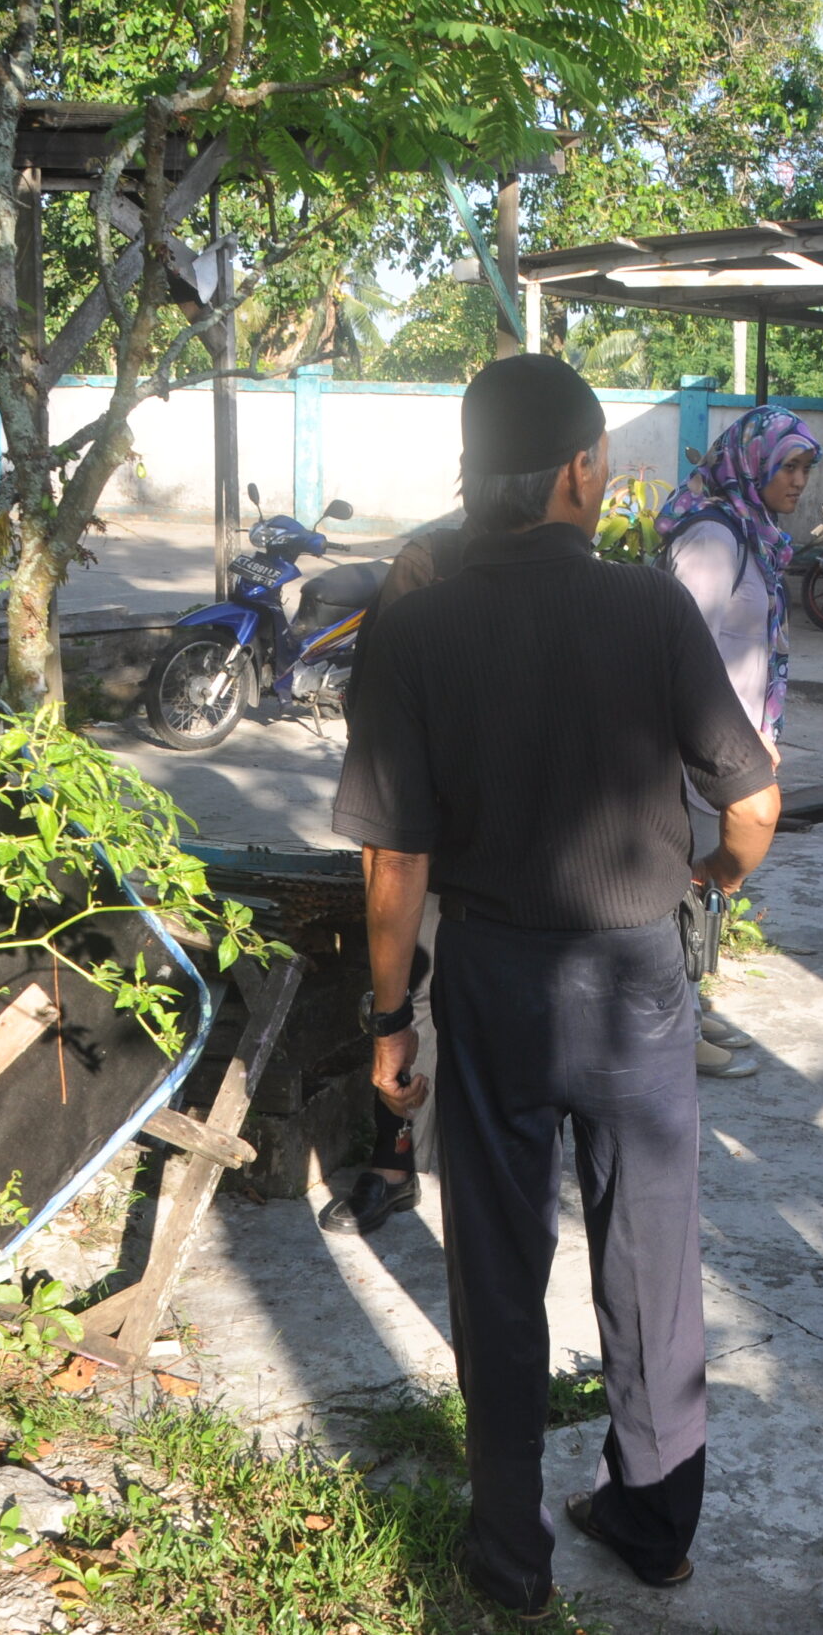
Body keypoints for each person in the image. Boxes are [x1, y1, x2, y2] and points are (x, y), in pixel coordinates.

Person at [329, 353, 781, 1621]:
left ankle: (510, 1555)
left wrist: (387, 1020)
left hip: (494, 982)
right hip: (639, 979)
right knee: (652, 1259)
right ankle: (653, 1522)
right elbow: (753, 803)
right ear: (581, 470)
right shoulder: (650, 607)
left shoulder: (415, 627)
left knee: (498, 1263)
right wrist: (708, 879)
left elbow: (394, 859)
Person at [656, 406, 820, 1079]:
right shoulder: (713, 540)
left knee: (704, 888)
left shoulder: (752, 530)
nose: (799, 480)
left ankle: (691, 1004)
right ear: (752, 464)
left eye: (805, 468)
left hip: (733, 742)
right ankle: (676, 1032)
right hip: (703, 746)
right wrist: (741, 737)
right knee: (683, 884)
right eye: (788, 466)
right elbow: (683, 651)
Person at [320, 516, 470, 1238]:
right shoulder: (432, 557)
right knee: (409, 983)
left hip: (528, 848)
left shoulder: (574, 566)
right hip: (426, 822)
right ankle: (394, 1160)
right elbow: (375, 702)